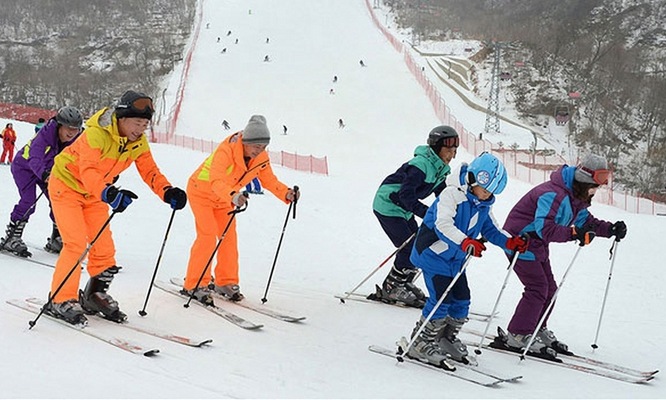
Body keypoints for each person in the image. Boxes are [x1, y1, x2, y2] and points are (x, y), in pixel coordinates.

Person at [45, 90, 188, 325]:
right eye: (137, 122)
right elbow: (88, 170)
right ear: (121, 118)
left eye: (145, 124)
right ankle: (61, 298)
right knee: (76, 243)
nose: (140, 129)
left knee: (104, 248)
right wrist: (107, 193)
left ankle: (94, 294)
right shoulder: (97, 134)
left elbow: (149, 170)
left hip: (95, 194)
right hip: (66, 185)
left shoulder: (137, 142)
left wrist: (167, 191)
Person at [404, 152, 528, 366]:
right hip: (434, 254)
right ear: (472, 179)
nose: (487, 195)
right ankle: (421, 342)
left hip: (455, 260)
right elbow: (443, 225)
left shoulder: (482, 203)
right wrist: (465, 242)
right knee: (442, 300)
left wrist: (509, 242)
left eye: (491, 192)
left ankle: (445, 338)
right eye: (485, 189)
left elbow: (491, 229)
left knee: (462, 300)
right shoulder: (451, 195)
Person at [500, 153, 627, 356]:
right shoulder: (553, 194)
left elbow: (586, 222)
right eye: (594, 187)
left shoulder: (576, 198)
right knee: (537, 288)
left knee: (550, 289)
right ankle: (517, 334)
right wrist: (574, 233)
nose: (595, 191)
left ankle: (537, 326)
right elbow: (545, 229)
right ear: (583, 181)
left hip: (537, 245)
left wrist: (610, 229)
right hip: (520, 242)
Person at [182, 115, 299, 305]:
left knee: (228, 239)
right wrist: (234, 196)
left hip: (225, 199)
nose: (259, 151)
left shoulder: (260, 156)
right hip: (202, 192)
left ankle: (225, 282)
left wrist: (286, 193)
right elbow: (216, 180)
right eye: (256, 146)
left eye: (263, 147)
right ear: (246, 141)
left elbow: (268, 180)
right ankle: (194, 283)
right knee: (207, 236)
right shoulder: (226, 150)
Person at [368, 126, 459, 308]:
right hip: (388, 205)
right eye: (448, 149)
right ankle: (393, 287)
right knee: (408, 247)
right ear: (436, 147)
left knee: (419, 245)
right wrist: (427, 214)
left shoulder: (441, 169)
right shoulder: (421, 165)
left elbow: (442, 198)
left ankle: (404, 283)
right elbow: (405, 195)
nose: (452, 155)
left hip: (403, 208)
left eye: (455, 150)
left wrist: (450, 215)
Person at [1, 107, 83, 258]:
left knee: (58, 200)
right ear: (59, 125)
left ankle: (56, 237)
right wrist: (45, 174)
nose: (71, 133)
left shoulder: (77, 139)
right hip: (24, 167)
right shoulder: (45, 135)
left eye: (75, 129)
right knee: (29, 200)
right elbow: (35, 157)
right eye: (68, 128)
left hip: (48, 171)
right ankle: (12, 236)